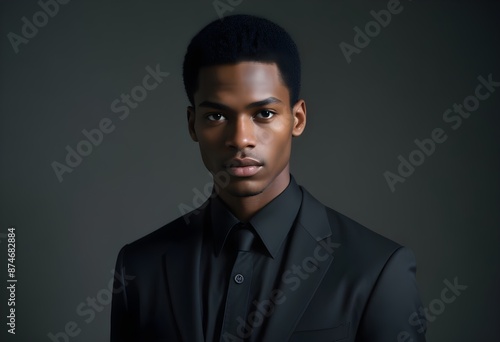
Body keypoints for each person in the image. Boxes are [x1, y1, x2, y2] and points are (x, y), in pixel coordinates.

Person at [110, 14, 426, 342]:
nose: (241, 138)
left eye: (264, 113)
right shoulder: (139, 266)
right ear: (193, 125)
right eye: (216, 116)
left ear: (297, 119)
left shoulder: (376, 269)